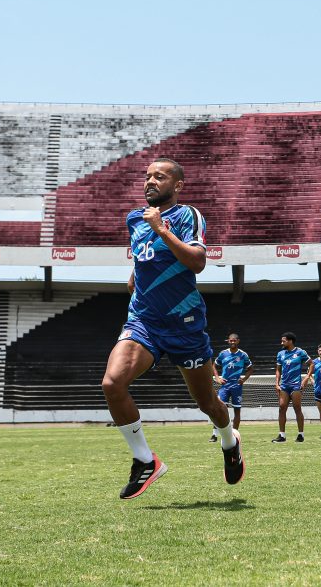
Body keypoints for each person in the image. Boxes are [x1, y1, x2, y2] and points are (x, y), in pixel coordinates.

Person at [101, 158, 244, 499]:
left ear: (177, 185)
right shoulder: (134, 218)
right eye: (147, 176)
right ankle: (144, 460)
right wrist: (136, 278)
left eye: (159, 177)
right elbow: (144, 258)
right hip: (144, 321)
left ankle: (229, 440)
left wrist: (161, 228)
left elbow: (197, 262)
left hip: (185, 324)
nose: (150, 181)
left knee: (207, 403)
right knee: (112, 383)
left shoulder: (186, 216)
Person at [209, 333, 253, 442]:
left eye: (234, 340)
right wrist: (218, 378)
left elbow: (250, 368)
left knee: (237, 410)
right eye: (230, 340)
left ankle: (234, 435)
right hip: (225, 385)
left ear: (238, 341)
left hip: (236, 386)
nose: (232, 342)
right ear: (228, 341)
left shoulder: (243, 355)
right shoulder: (223, 354)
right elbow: (214, 366)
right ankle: (214, 434)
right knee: (218, 410)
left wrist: (244, 379)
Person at [273, 332, 310, 443]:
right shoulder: (280, 354)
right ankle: (282, 435)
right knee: (281, 407)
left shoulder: (300, 352)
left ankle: (300, 435)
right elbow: (278, 369)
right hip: (284, 385)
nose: (281, 343)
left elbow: (311, 364)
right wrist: (277, 383)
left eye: (283, 341)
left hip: (296, 385)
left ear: (290, 341)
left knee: (297, 409)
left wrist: (306, 378)